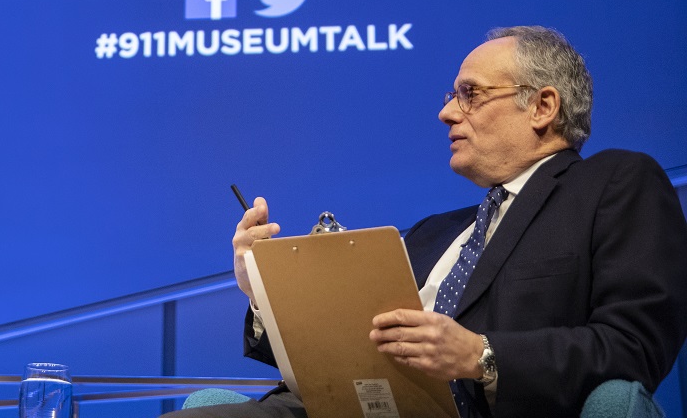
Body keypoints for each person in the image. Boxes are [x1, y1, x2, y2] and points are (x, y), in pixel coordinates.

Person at [172, 26, 687, 418]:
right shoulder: (432, 233)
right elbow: (341, 351)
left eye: (470, 94)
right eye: (450, 96)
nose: (447, 113)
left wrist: (479, 354)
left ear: (543, 106)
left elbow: (633, 347)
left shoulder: (614, 185)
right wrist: (265, 292)